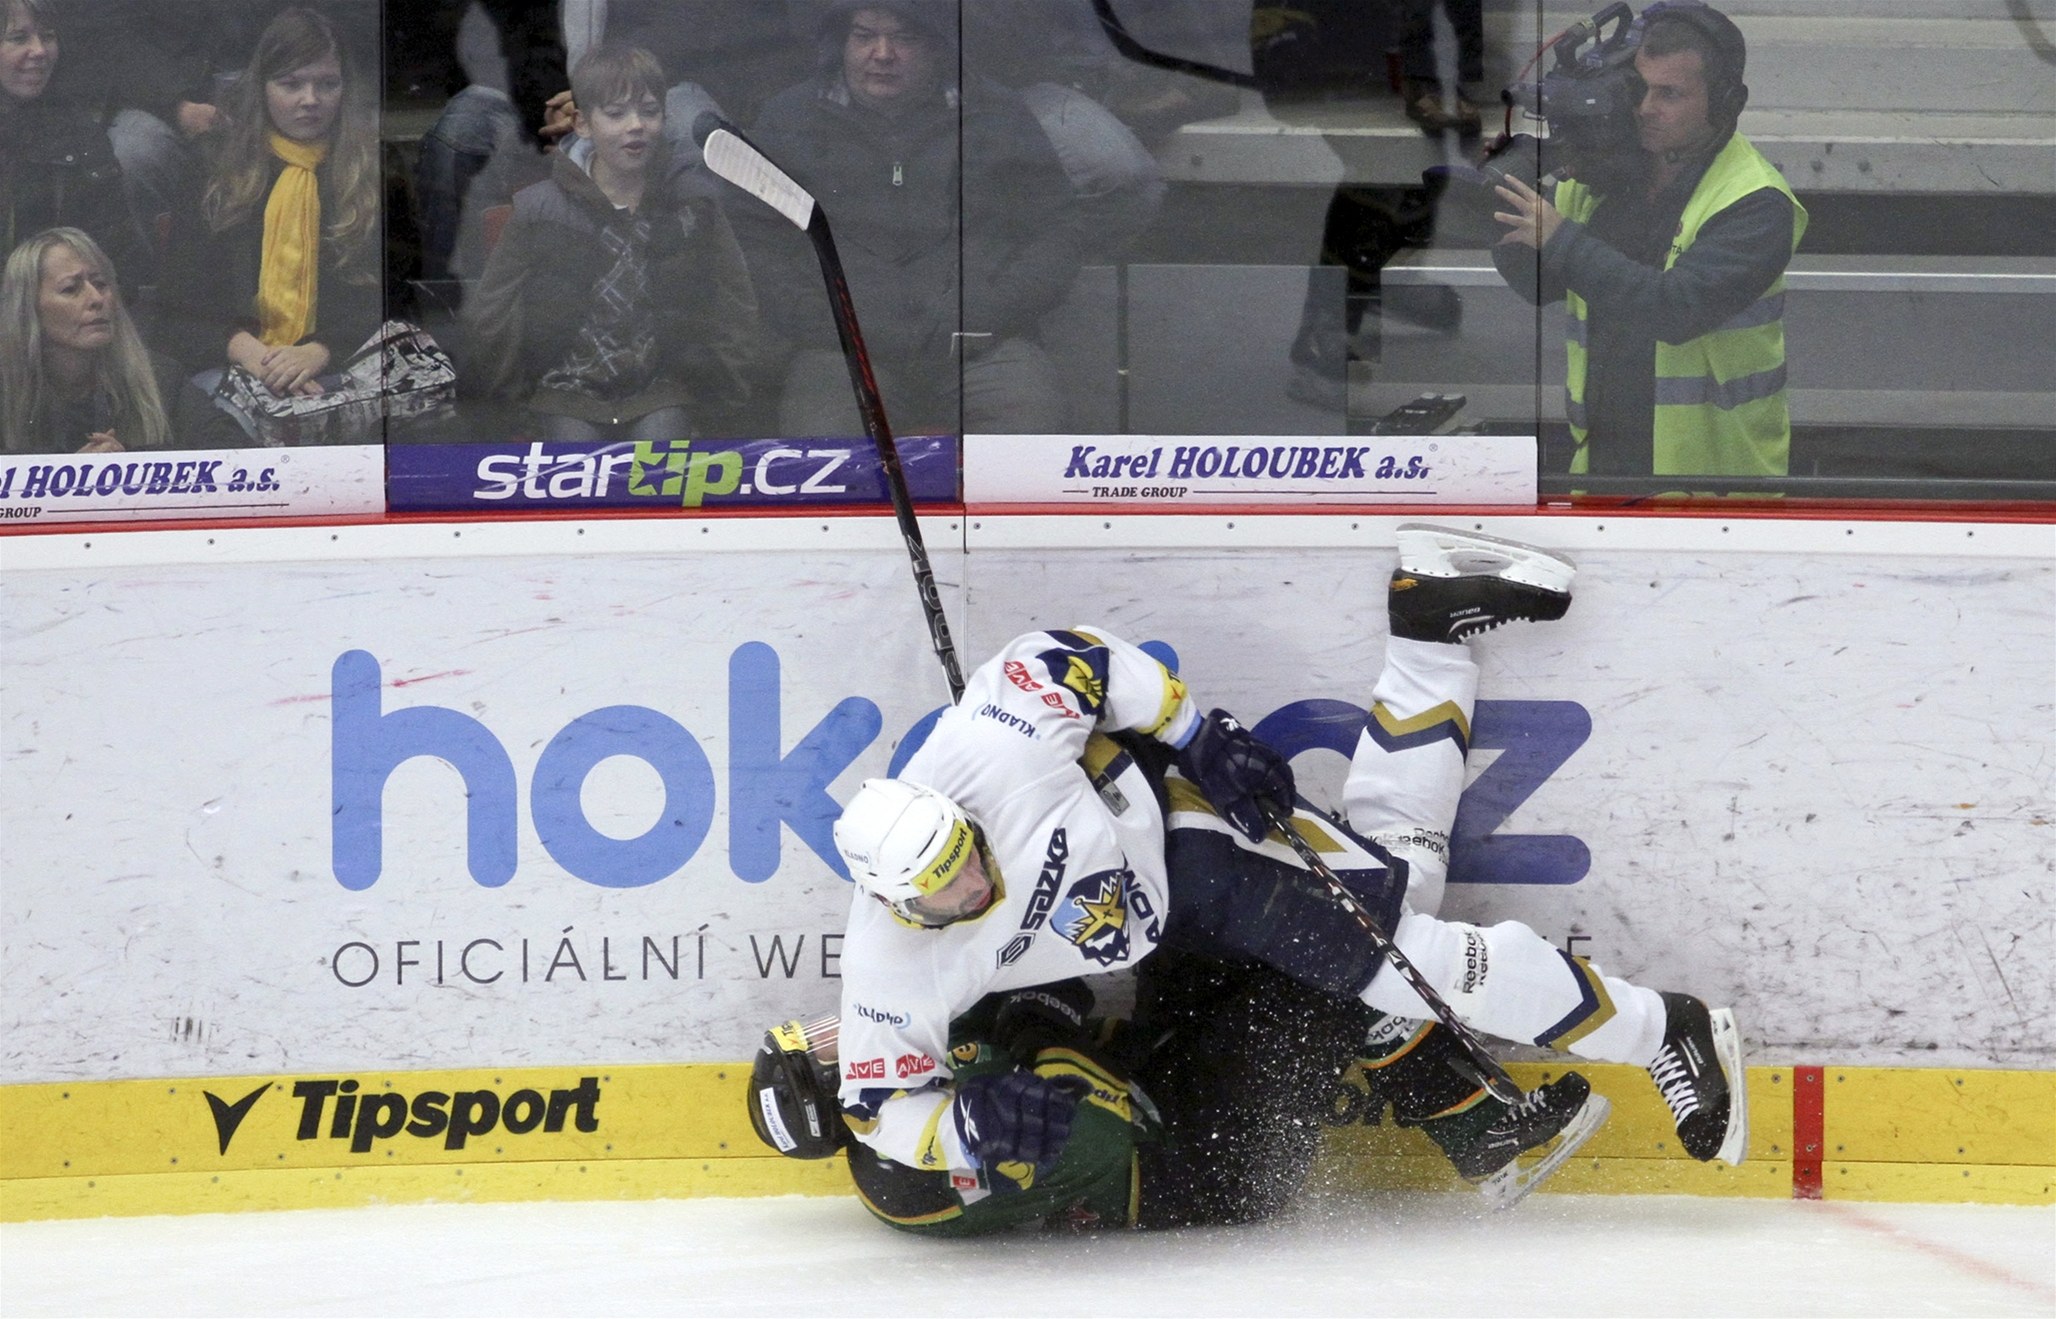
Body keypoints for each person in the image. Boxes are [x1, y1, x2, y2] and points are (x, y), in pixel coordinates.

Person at [819, 524, 1748, 1196]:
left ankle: (1664, 1028)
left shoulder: (986, 754)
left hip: (1187, 839)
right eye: (947, 891)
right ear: (897, 904)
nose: (973, 881)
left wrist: (1193, 732)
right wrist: (962, 1129)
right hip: (1164, 930)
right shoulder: (887, 965)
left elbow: (1075, 658)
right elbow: (878, 1107)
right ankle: (1428, 634)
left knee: (1405, 962)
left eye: (968, 852)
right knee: (1407, 900)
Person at [747, 955, 1605, 1234]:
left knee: (1221, 929)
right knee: (1324, 970)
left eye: (820, 1033)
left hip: (1158, 1088)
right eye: (825, 1053)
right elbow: (1097, 1128)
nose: (838, 1034)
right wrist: (1038, 1032)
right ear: (837, 1101)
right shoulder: (909, 1179)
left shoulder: (896, 1069)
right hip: (1203, 1167)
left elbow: (1047, 992)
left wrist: (1030, 1000)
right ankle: (1479, 1134)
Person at [1490, 1, 1807, 480]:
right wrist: (1500, 208)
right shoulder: (1599, 177)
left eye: (1669, 94)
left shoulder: (1755, 201)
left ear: (1725, 102)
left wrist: (1558, 238)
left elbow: (1676, 309)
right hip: (1602, 465)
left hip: (1714, 487)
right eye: (1640, 88)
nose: (1645, 109)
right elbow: (1541, 284)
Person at [737, 0, 1084, 437]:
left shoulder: (996, 114)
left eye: (905, 38)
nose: (882, 54)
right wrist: (831, 323)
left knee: (1030, 425)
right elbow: (754, 242)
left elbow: (1057, 232)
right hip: (841, 352)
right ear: (841, 42)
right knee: (826, 444)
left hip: (983, 344)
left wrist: (987, 311)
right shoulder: (788, 119)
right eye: (864, 36)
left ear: (938, 46)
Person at [463, 43, 757, 442]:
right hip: (564, 392)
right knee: (574, 460)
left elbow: (735, 303)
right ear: (582, 123)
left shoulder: (693, 205)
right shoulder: (538, 209)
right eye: (616, 113)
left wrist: (721, 397)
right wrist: (514, 404)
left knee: (661, 456)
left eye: (649, 111)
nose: (635, 125)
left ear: (665, 118)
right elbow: (492, 314)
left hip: (663, 390)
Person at [156, 7, 391, 429]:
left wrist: (320, 351)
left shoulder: (372, 172)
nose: (310, 100)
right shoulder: (213, 170)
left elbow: (395, 297)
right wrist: (250, 353)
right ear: (261, 87)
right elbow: (177, 312)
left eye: (327, 84)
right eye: (291, 84)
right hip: (235, 365)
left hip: (343, 363)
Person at [0, 227, 237, 453]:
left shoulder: (160, 378)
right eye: (71, 289)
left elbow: (236, 453)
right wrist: (69, 470)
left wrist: (127, 464)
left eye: (101, 284)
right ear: (27, 308)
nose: (96, 298)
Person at [0, 0, 143, 294]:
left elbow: (116, 260)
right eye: (18, 38)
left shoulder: (80, 134)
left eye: (48, 36)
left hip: (60, 307)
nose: (39, 51)